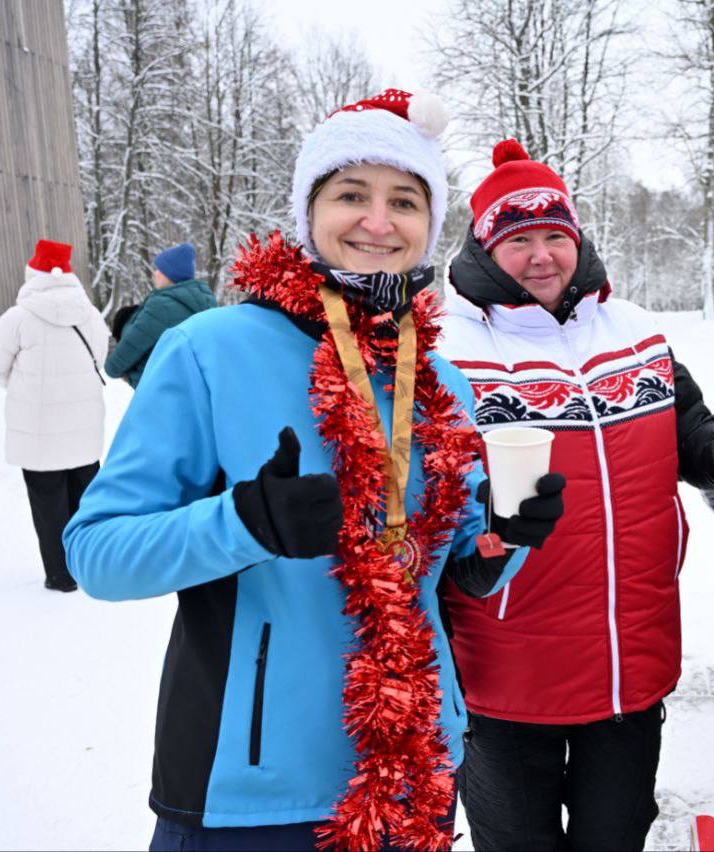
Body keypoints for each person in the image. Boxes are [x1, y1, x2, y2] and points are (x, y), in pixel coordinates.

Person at [64, 90, 564, 851]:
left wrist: (505, 531)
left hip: (416, 773)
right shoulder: (209, 350)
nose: (377, 220)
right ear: (309, 212)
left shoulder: (440, 378)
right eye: (350, 194)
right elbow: (97, 553)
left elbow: (459, 565)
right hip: (252, 791)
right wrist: (243, 523)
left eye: (405, 199)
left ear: (429, 227)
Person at [439, 139, 714, 851]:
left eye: (554, 237)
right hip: (504, 666)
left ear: (578, 238)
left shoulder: (637, 334)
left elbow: (693, 432)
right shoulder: (447, 350)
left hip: (628, 660)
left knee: (615, 836)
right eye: (518, 240)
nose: (541, 257)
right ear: (484, 249)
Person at [0, 239, 108, 592]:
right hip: (83, 429)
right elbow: (99, 357)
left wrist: (26, 385)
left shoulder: (17, 317)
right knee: (85, 504)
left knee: (49, 508)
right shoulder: (89, 314)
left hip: (39, 433)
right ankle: (89, 567)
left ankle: (60, 576)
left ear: (35, 273)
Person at [104, 242, 216, 387]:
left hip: (160, 388)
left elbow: (129, 348)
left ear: (170, 274)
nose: (155, 273)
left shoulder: (162, 306)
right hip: (191, 387)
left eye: (159, 269)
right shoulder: (205, 301)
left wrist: (114, 368)